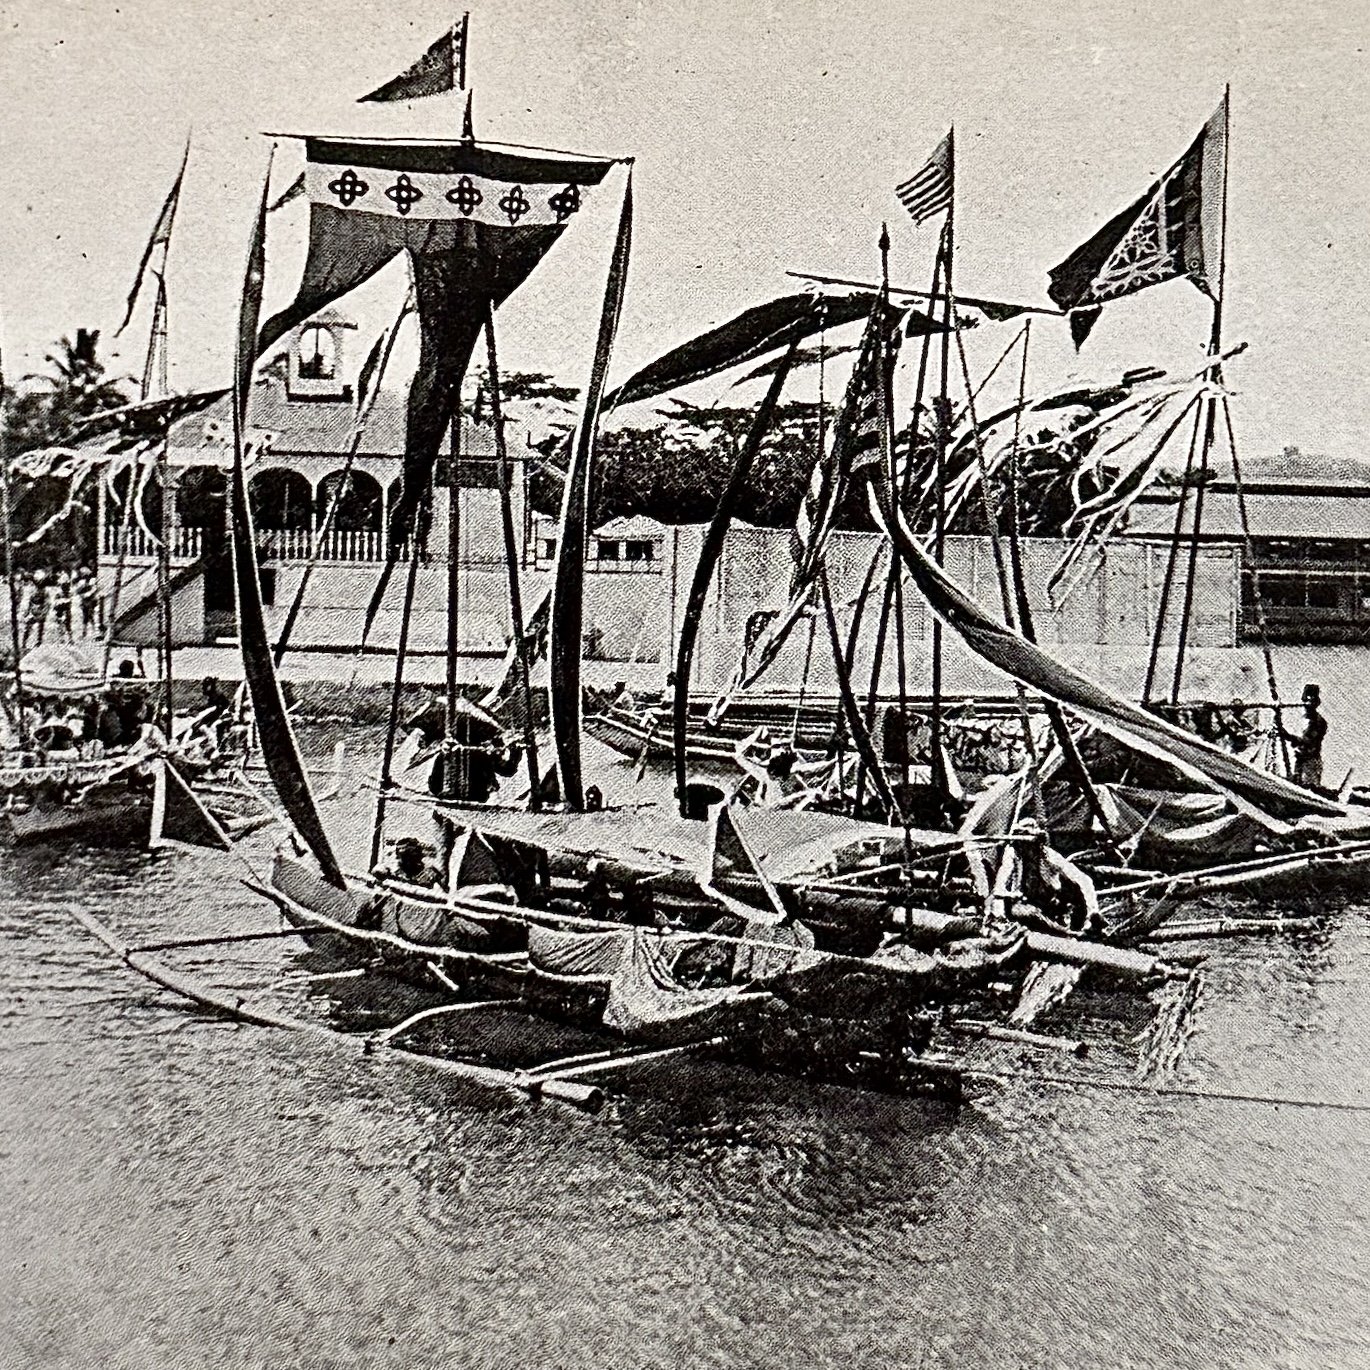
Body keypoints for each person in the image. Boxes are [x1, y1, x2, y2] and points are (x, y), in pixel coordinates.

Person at [1281, 683, 1328, 789]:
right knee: (1295, 785)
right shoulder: (1304, 720)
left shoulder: (1318, 722)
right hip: (1300, 760)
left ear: (1316, 703)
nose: (1307, 704)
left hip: (1310, 762)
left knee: (1307, 788)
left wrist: (1286, 735)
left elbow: (1308, 741)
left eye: (1311, 701)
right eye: (1306, 700)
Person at [22, 570, 48, 649]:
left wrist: (43, 613)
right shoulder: (34, 591)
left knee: (39, 626)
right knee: (29, 626)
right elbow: (31, 601)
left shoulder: (43, 592)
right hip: (35, 609)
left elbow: (46, 604)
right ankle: (25, 642)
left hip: (40, 610)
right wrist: (27, 611)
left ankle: (38, 641)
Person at [76, 568, 101, 637]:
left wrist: (88, 594)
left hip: (92, 600)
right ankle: (84, 632)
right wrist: (83, 592)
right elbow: (77, 591)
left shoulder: (93, 580)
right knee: (85, 616)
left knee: (92, 615)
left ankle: (95, 632)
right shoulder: (81, 582)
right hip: (84, 600)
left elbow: (94, 589)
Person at [50, 571, 73, 643]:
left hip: (65, 606)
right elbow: (55, 599)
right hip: (61, 607)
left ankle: (68, 638)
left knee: (66, 623)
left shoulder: (67, 590)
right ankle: (64, 638)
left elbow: (69, 597)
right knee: (62, 622)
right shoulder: (59, 590)